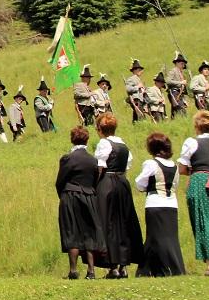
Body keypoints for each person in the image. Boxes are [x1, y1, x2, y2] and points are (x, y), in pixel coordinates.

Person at [177, 110, 209, 275]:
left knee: (203, 221)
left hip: (200, 182)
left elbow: (182, 169)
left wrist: (195, 171)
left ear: (197, 127)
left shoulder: (191, 142)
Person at [93, 114, 144, 278]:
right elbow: (126, 166)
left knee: (107, 222)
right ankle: (123, 265)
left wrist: (95, 185)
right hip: (122, 182)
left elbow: (100, 167)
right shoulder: (123, 144)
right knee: (124, 222)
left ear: (100, 130)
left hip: (107, 183)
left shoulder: (104, 143)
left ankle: (112, 266)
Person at [55, 126, 102, 280]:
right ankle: (91, 270)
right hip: (89, 196)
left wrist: (63, 196)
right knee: (89, 232)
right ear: (87, 140)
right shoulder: (93, 160)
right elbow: (96, 181)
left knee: (71, 231)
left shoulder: (67, 159)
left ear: (72, 139)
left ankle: (73, 270)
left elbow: (60, 181)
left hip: (70, 195)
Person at [134, 132, 185, 277]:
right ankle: (159, 268)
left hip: (155, 203)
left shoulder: (151, 164)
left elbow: (140, 182)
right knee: (170, 237)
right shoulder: (174, 165)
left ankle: (154, 269)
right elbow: (175, 184)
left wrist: (145, 188)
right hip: (172, 204)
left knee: (154, 237)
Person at [167, 51, 189, 118]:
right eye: (182, 64)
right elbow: (168, 81)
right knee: (180, 110)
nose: (183, 66)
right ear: (177, 63)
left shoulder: (181, 73)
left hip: (180, 94)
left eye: (183, 64)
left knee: (176, 111)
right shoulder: (173, 71)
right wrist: (181, 82)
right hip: (174, 92)